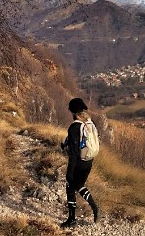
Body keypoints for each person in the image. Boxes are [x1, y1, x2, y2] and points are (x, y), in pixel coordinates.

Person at [59, 97, 100, 228]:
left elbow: (74, 152)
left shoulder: (74, 127)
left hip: (78, 163)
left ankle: (72, 219)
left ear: (72, 111)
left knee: (70, 187)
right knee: (79, 185)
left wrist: (70, 171)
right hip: (88, 161)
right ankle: (93, 207)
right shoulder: (89, 122)